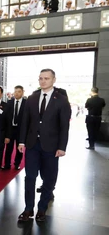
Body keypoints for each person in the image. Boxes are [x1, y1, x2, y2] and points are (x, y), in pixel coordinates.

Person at [17, 69, 71, 222]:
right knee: (30, 177)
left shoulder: (61, 99)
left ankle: (42, 208)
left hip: (52, 147)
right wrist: (21, 141)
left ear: (54, 80)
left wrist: (62, 147)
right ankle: (28, 209)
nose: (43, 81)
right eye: (40, 78)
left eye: (46, 78)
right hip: (32, 145)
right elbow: (25, 122)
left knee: (49, 178)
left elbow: (64, 127)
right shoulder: (32, 98)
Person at [3, 85, 26, 170]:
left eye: (19, 91)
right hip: (10, 129)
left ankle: (17, 163)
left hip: (20, 129)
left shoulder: (26, 103)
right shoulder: (9, 103)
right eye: (15, 91)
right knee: (8, 148)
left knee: (19, 148)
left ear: (23, 92)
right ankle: (7, 164)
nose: (16, 93)